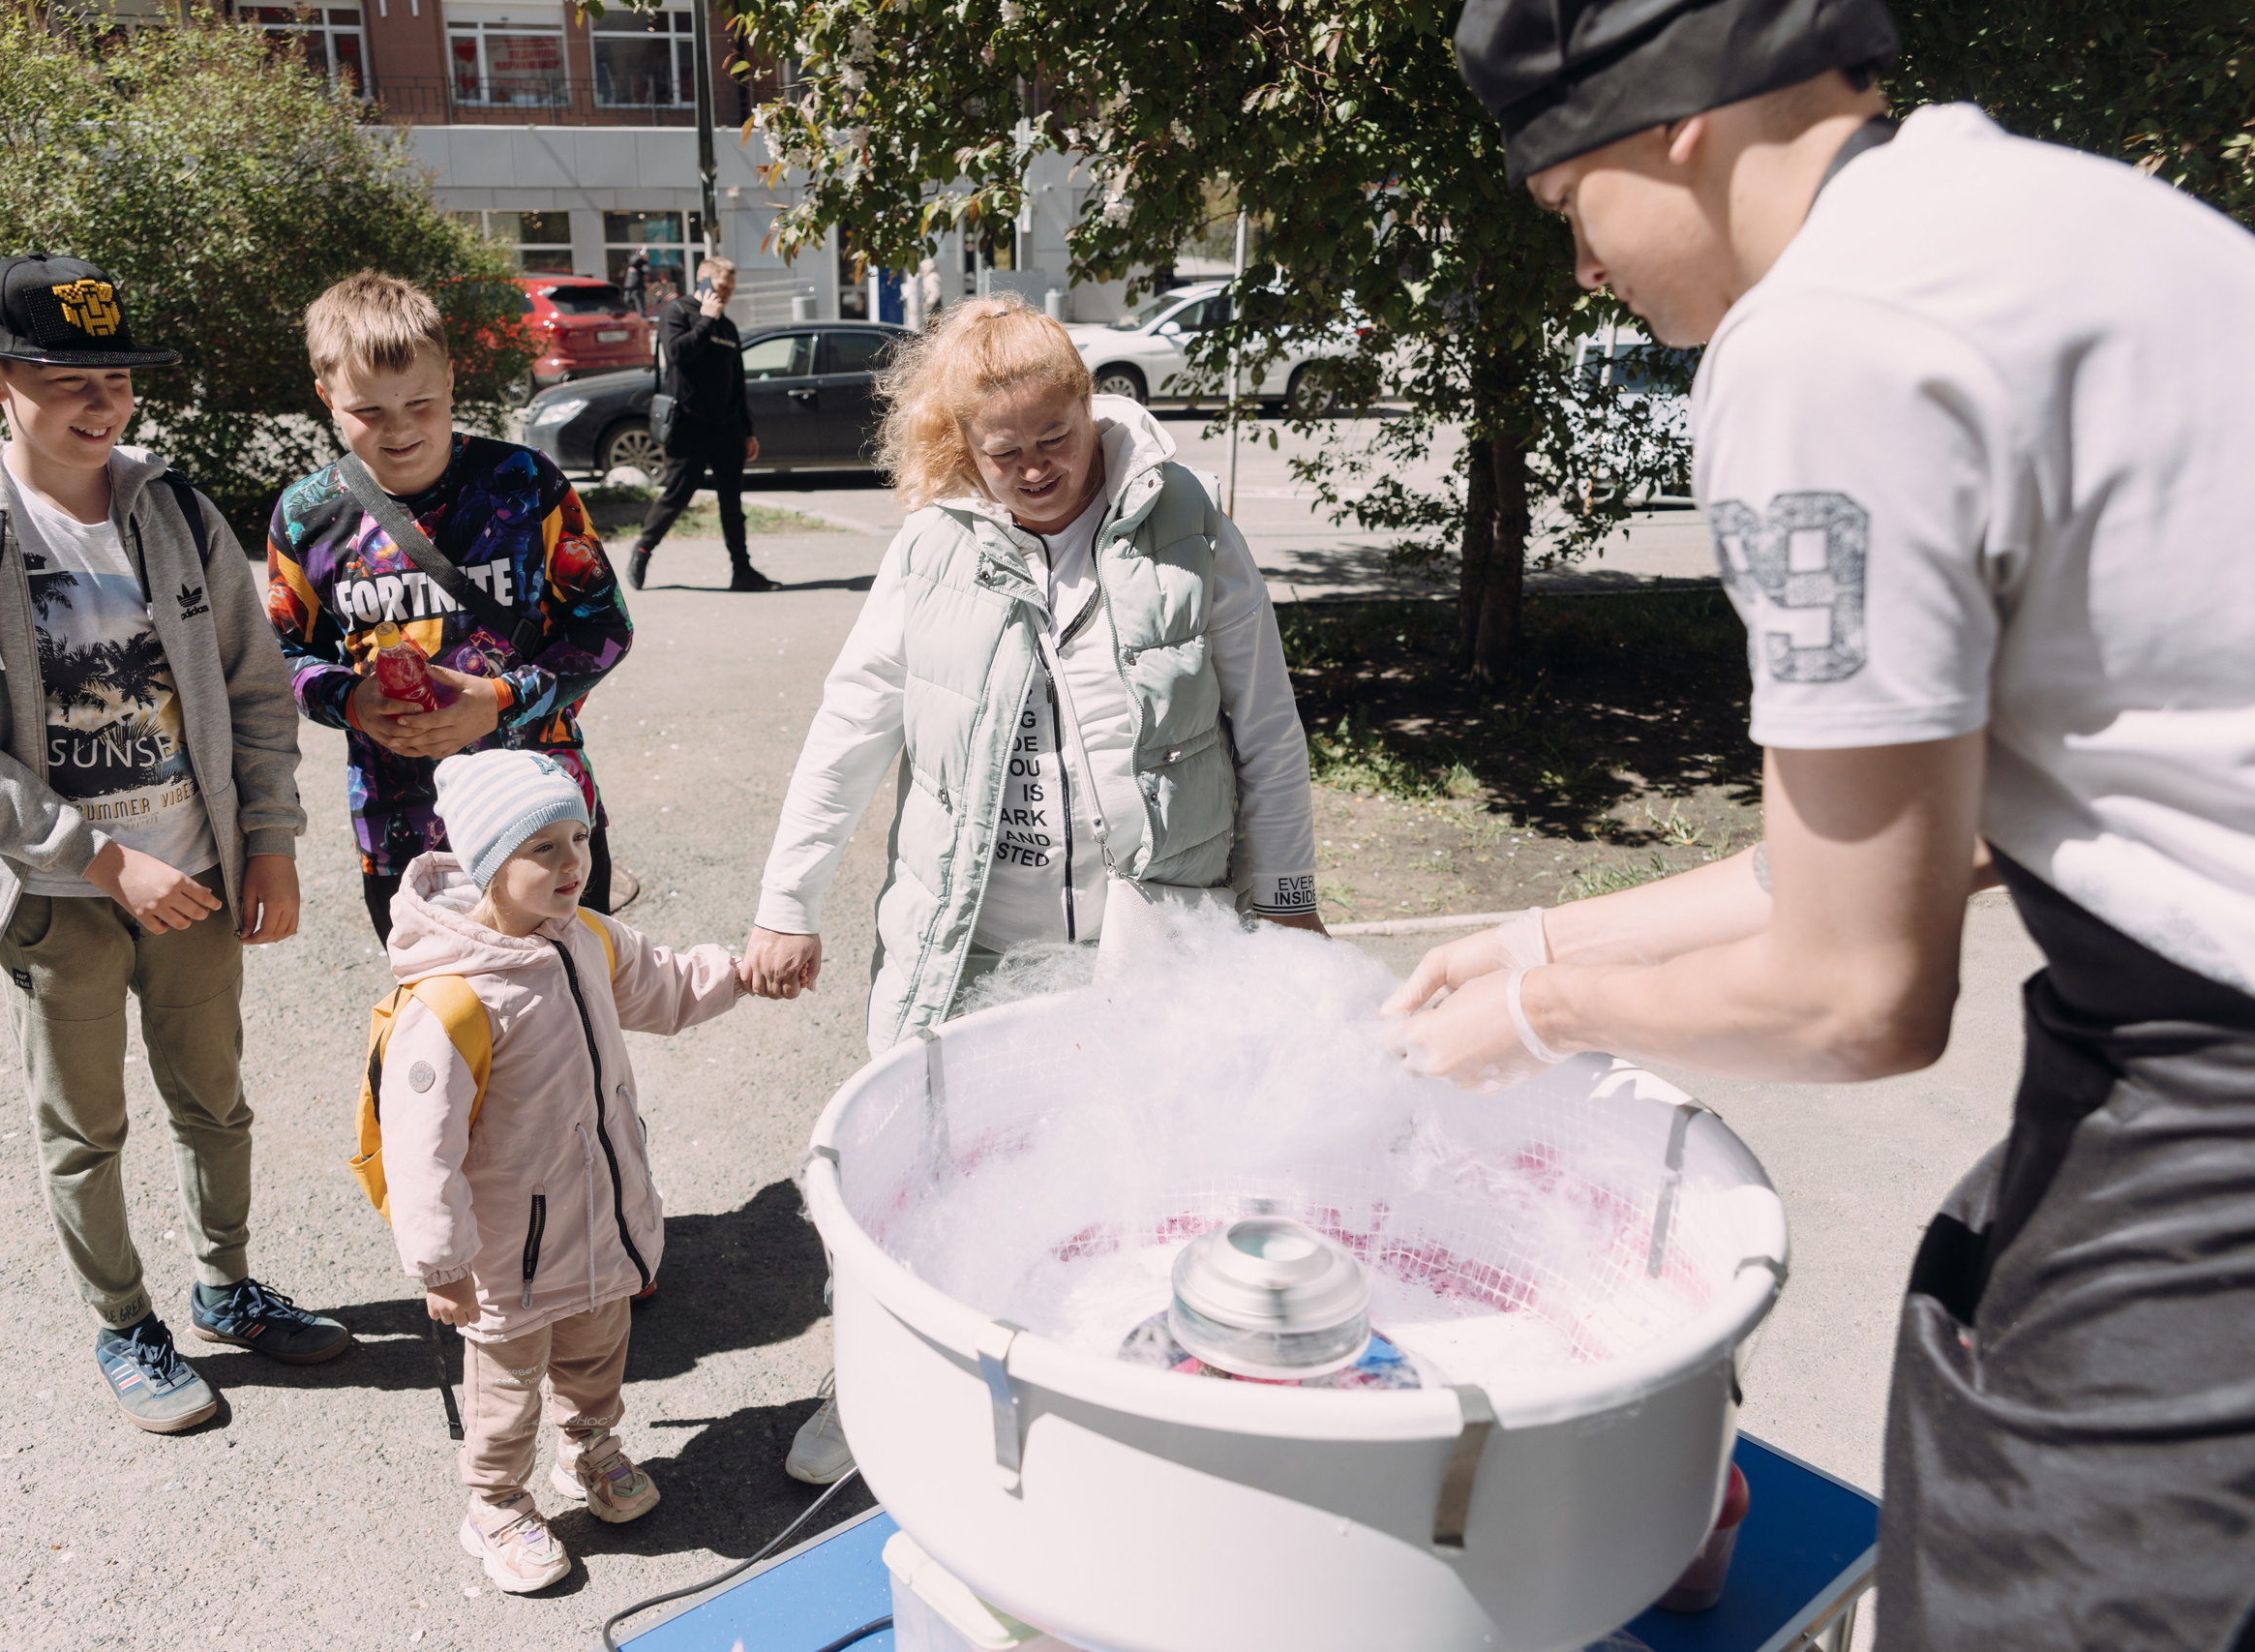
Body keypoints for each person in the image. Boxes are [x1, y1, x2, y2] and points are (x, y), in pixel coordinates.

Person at [1394, 2, 2255, 1644]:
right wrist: (1541, 932)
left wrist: (1535, 1018)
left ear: (1672, 128)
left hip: (2222, 1075)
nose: (1586, 272)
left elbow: (1857, 992)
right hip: (2179, 996)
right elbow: (1962, 830)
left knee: (2049, 1560)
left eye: (1570, 211)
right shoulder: (2046, 220)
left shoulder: (1824, 341)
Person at [740, 296, 1323, 1484]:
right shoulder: (933, 547)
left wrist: (1289, 897)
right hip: (972, 938)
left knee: (1143, 1166)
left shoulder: (1184, 523)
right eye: (1001, 452)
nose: (1034, 469)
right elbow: (848, 728)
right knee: (929, 1163)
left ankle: (1116, 1397)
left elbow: (1265, 724)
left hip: (1151, 932)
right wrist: (785, 899)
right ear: (963, 444)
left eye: (1053, 436)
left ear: (1087, 406)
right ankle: (875, 1386)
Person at [0, 253, 346, 1434]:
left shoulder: (179, 514)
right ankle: (126, 1324)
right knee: (85, 1128)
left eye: (120, 378)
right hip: (63, 899)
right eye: (66, 380)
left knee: (217, 1102)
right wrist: (98, 859)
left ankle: (229, 1287)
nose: (102, 403)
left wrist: (272, 842)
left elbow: (254, 692)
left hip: (196, 874)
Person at [377, 750, 753, 1592]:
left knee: (596, 1356)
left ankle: (588, 1448)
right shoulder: (451, 999)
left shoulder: (584, 936)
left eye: (577, 838)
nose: (571, 862)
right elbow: (419, 1148)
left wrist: (741, 971)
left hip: (599, 1217)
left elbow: (665, 985)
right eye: (541, 847)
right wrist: (440, 1263)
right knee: (505, 1391)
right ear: (488, 863)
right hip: (505, 1250)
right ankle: (495, 1502)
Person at [268, 271, 635, 947]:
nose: (400, 428)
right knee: (445, 1028)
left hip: (545, 821)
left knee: (574, 1016)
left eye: (421, 402)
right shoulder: (305, 516)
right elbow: (285, 658)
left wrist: (499, 697)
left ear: (452, 378)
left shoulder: (526, 484)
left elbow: (605, 627)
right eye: (369, 411)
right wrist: (352, 702)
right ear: (325, 397)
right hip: (403, 830)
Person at [629, 255, 770, 593]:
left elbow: (737, 382)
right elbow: (677, 355)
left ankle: (743, 571)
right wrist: (705, 321)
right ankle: (643, 551)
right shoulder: (677, 313)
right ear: (704, 280)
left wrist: (747, 430)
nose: (727, 294)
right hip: (689, 425)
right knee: (677, 496)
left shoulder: (728, 326)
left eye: (732, 288)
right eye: (722, 286)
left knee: (732, 504)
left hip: (727, 429)